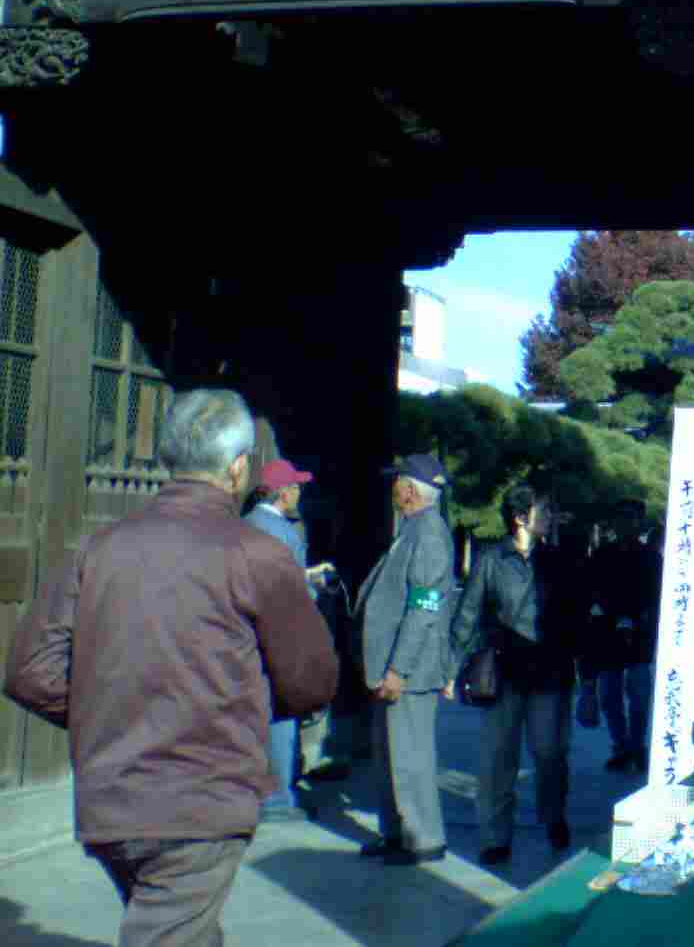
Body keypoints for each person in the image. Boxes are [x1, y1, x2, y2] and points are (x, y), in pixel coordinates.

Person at [2, 388, 338, 947]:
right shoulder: (255, 555)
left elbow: (29, 669)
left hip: (113, 799)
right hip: (199, 803)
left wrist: (105, 710)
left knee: (180, 928)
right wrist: (232, 707)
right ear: (236, 470)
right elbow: (312, 682)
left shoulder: (98, 547)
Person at [447, 485, 577, 865]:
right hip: (504, 675)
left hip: (550, 675)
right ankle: (494, 837)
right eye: (543, 511)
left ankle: (554, 819)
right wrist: (451, 670)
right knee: (496, 760)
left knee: (550, 755)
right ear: (521, 518)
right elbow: (466, 616)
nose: (550, 517)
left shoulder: (559, 560)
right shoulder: (491, 560)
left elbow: (574, 618)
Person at [353, 453, 456, 865]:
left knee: (410, 756)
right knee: (390, 755)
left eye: (397, 480)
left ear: (410, 489)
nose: (392, 486)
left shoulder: (428, 535)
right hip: (392, 666)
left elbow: (424, 607)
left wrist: (399, 668)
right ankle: (397, 831)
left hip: (408, 670)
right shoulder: (414, 530)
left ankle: (424, 838)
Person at [244, 457, 333, 822]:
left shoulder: (246, 525)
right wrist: (313, 583)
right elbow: (294, 594)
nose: (299, 493)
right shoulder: (286, 535)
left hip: (247, 633)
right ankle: (278, 798)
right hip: (279, 636)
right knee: (281, 717)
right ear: (283, 493)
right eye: (295, 487)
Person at [585, 504, 660, 773]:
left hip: (639, 635)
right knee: (609, 696)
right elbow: (592, 592)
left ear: (640, 523)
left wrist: (640, 619)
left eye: (632, 519)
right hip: (608, 634)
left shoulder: (651, 556)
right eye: (621, 519)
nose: (626, 525)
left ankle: (637, 747)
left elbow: (656, 595)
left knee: (639, 695)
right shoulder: (603, 555)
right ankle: (620, 745)